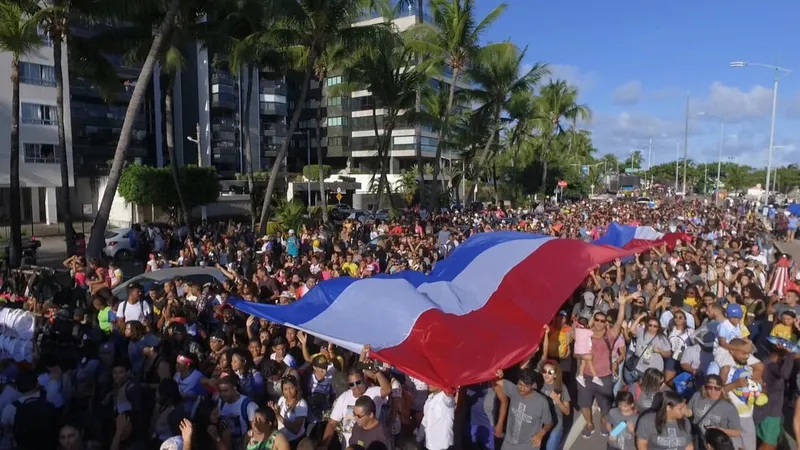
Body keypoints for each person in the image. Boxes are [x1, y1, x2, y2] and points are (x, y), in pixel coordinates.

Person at [494, 369, 552, 450]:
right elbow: (496, 380)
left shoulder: (541, 402)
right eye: (520, 384)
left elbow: (548, 423)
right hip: (508, 444)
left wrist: (540, 434)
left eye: (526, 386)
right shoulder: (514, 390)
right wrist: (498, 374)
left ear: (532, 386)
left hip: (529, 445)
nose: (522, 389)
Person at [539, 361, 570, 450]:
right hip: (540, 426)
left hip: (555, 427)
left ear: (555, 375)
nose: (546, 374)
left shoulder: (561, 388)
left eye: (550, 372)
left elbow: (567, 412)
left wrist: (557, 401)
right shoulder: (538, 385)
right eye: (544, 371)